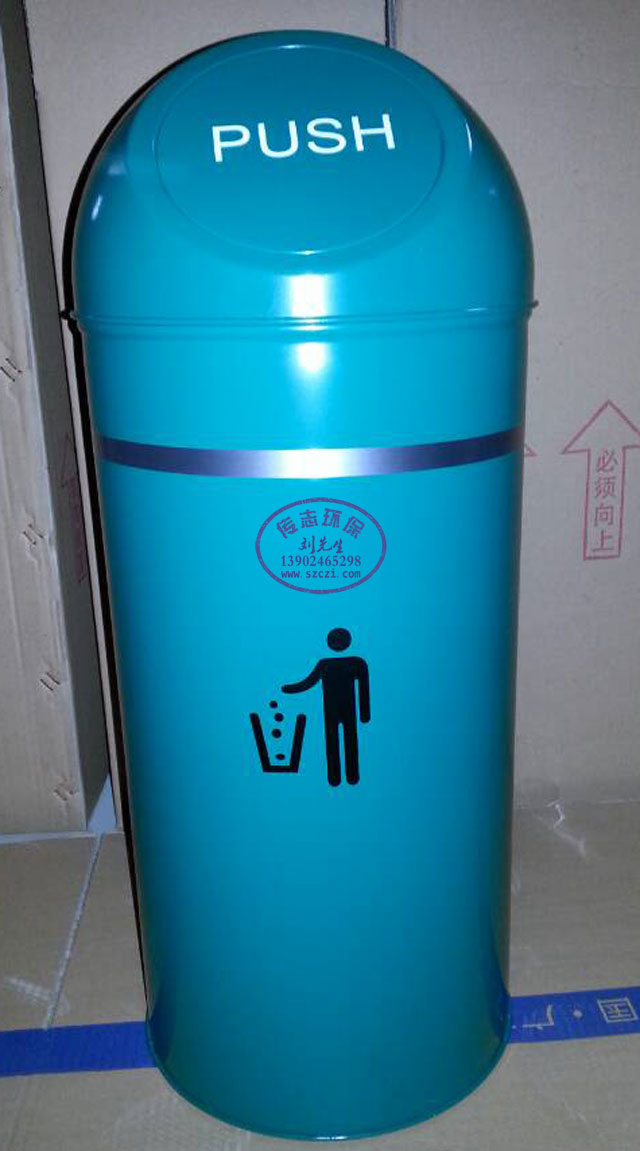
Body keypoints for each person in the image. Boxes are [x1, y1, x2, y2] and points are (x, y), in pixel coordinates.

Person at [282, 628, 370, 787]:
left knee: (347, 739)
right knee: (334, 741)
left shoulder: (356, 663)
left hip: (345, 710)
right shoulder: (330, 664)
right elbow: (308, 682)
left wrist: (365, 714)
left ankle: (351, 775)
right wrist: (289, 689)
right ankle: (336, 777)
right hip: (331, 711)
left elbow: (363, 688)